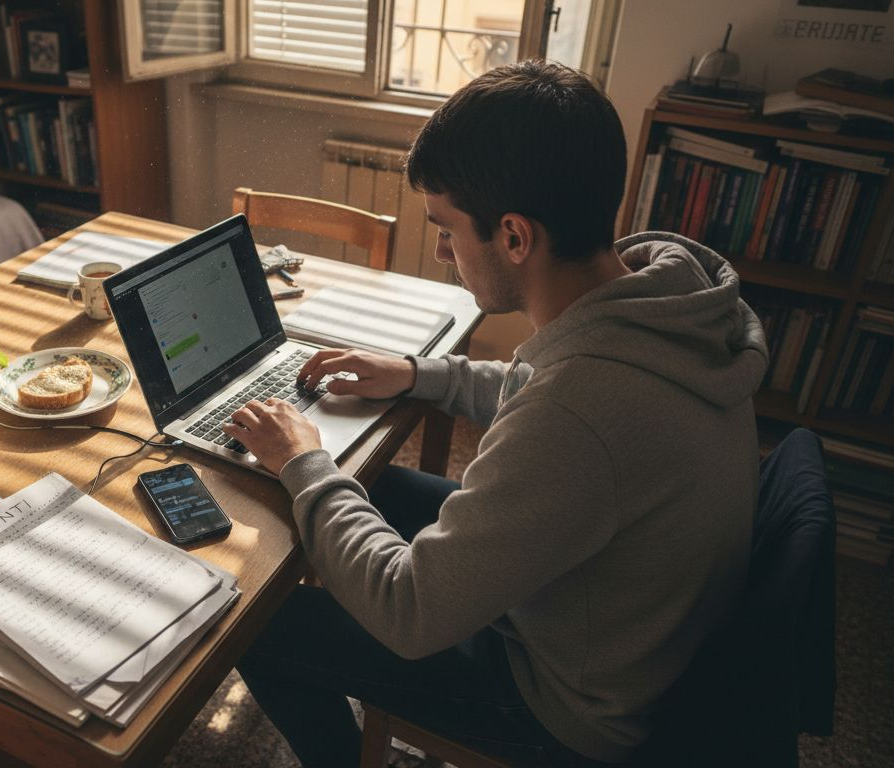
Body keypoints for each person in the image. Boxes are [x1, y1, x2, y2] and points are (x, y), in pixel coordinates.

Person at [221, 60, 768, 767]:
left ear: (513, 236)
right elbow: (542, 386)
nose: (444, 254)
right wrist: (420, 374)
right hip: (612, 624)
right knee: (371, 486)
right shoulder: (662, 295)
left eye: (446, 230)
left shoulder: (580, 415)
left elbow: (409, 612)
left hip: (564, 707)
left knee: (256, 623)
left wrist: (304, 462)